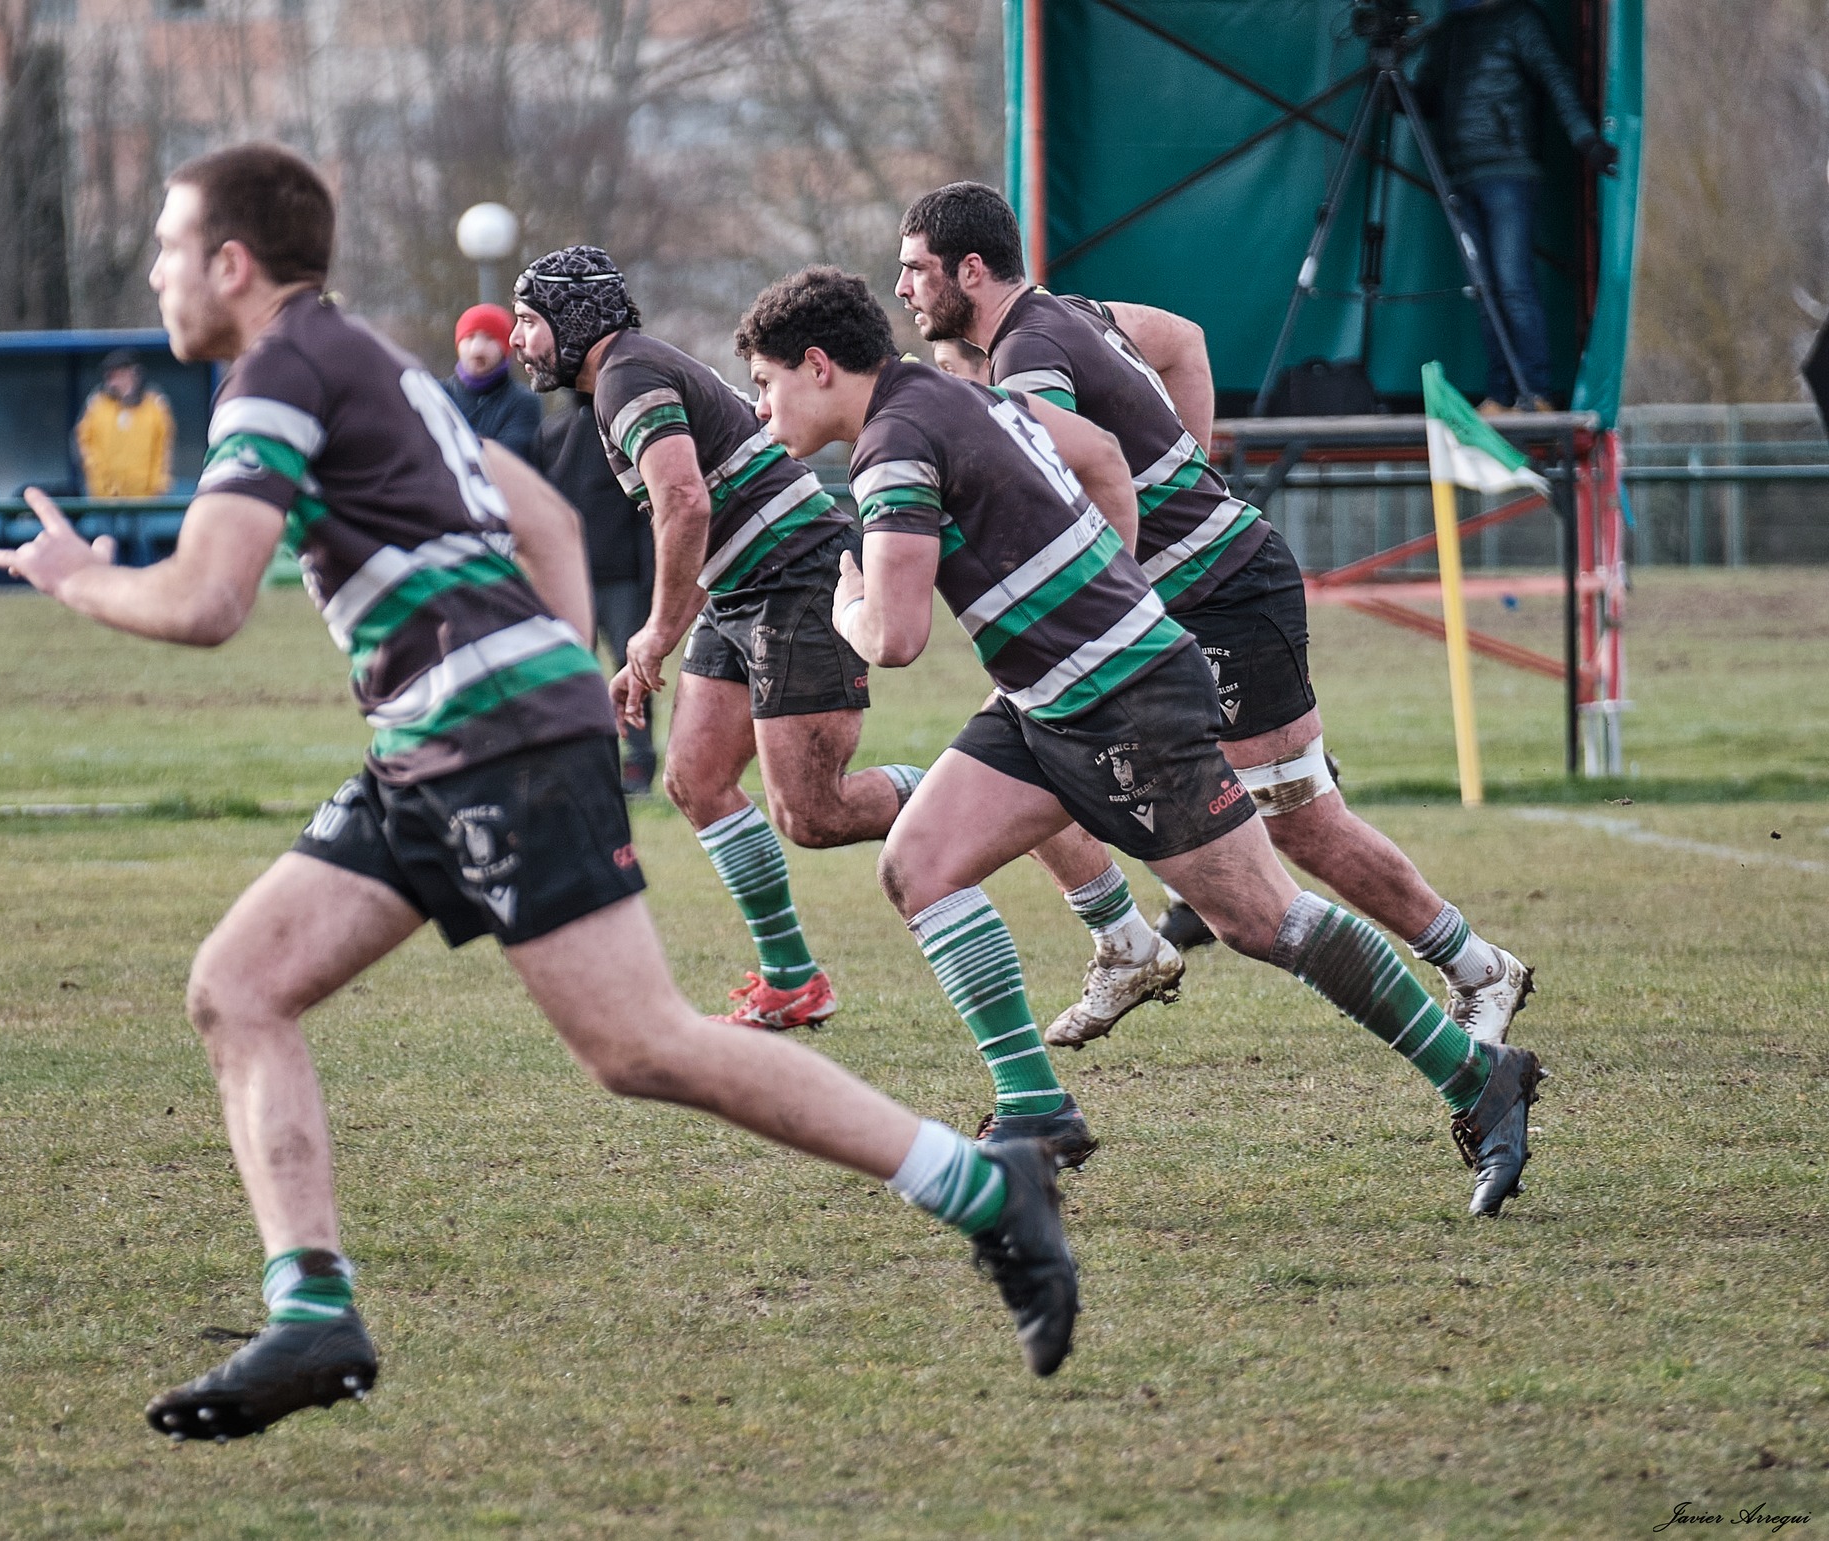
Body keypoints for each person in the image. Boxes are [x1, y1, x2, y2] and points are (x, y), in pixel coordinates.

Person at [0, 145, 1080, 1437]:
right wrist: (554, 675)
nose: (156, 273)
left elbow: (209, 597)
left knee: (641, 1045)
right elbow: (548, 526)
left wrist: (76, 577)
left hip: (485, 735)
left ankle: (985, 1188)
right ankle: (312, 1309)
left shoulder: (279, 371)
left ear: (230, 263)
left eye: (170, 248)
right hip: (444, 736)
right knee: (238, 986)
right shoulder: (371, 359)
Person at [735, 264, 1545, 1218]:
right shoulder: (960, 392)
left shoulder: (894, 446)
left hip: (1124, 701)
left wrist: (850, 605)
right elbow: (1103, 461)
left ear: (818, 365)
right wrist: (1106, 588)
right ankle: (1036, 1111)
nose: (759, 409)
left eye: (764, 383)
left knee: (1262, 919)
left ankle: (1477, 1076)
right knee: (920, 865)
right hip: (1050, 696)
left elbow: (897, 637)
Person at [896, 182, 1537, 1068]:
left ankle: (1480, 968)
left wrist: (1146, 539)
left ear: (971, 269)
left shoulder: (1028, 356)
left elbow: (1078, 480)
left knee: (1300, 823)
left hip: (1226, 595)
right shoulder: (1072, 313)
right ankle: (1125, 941)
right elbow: (1185, 343)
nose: (904, 288)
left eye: (916, 268)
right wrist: (1190, 480)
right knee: (1024, 742)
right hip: (1175, 600)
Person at [509, 245, 926, 1030]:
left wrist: (654, 635)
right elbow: (713, 512)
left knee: (815, 812)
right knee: (695, 778)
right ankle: (792, 979)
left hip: (799, 574)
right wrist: (660, 638)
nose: (517, 339)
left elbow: (686, 504)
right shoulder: (623, 376)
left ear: (575, 318)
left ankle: (975, 793)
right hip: (742, 584)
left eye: (530, 320)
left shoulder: (627, 378)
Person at [1416, 0, 1618, 412]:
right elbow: (1428, 99)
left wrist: (1587, 142)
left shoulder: (1519, 20)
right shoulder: (1449, 33)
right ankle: (1501, 394)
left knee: (1512, 287)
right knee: (1486, 294)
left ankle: (1535, 394)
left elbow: (1556, 78)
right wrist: (1392, 86)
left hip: (1508, 172)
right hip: (1461, 176)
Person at [536, 392, 657, 793]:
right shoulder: (551, 433)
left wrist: (649, 580)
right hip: (569, 581)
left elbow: (643, 509)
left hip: (623, 580)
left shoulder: (620, 433)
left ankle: (638, 763)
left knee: (633, 669)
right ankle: (581, 766)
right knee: (571, 676)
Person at [74, 348, 175, 501]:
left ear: (134, 374)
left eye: (120, 376)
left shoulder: (155, 406)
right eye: (110, 377)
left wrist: (159, 485)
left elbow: (164, 449)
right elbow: (84, 445)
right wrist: (100, 482)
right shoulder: (97, 406)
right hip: (104, 500)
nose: (114, 383)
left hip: (146, 500)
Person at [443, 303, 542, 459]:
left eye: (489, 338)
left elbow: (509, 459)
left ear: (505, 348)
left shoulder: (523, 403)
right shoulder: (435, 393)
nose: (477, 349)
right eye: (469, 337)